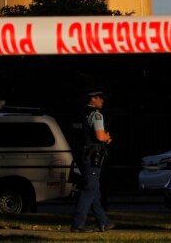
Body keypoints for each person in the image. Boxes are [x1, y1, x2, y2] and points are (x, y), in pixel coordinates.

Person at [71, 91, 115, 233]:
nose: (103, 101)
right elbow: (100, 135)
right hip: (93, 155)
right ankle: (77, 224)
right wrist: (107, 137)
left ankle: (103, 222)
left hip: (82, 154)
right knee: (89, 189)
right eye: (100, 99)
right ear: (93, 98)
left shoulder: (79, 113)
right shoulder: (96, 114)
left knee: (94, 190)